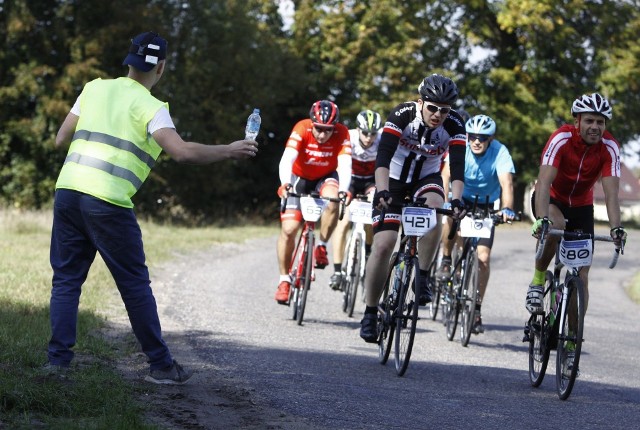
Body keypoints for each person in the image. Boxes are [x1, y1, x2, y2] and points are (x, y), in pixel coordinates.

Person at [48, 31, 259, 384]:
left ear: (128, 60)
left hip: (68, 192)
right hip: (108, 201)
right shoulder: (152, 108)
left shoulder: (93, 88)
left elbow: (60, 139)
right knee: (134, 285)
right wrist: (229, 149)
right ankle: (161, 367)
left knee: (66, 280)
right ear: (161, 68)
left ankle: (57, 365)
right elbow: (182, 152)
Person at [359, 74, 468, 343]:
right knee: (384, 245)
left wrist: (456, 200)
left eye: (444, 110)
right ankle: (370, 312)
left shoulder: (454, 124)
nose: (438, 115)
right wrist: (382, 190)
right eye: (432, 108)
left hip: (426, 179)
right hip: (392, 180)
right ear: (421, 103)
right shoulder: (402, 114)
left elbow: (457, 167)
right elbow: (382, 157)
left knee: (434, 211)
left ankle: (422, 275)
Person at [526, 93, 627, 371]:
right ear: (577, 121)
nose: (596, 127)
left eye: (601, 122)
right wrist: (543, 218)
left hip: (581, 207)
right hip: (551, 199)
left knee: (581, 276)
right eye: (590, 121)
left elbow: (611, 194)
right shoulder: (561, 138)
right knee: (555, 227)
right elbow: (544, 182)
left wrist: (616, 227)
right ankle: (537, 281)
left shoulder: (610, 148)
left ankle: (571, 343)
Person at [438, 114, 516, 334]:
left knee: (483, 258)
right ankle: (446, 259)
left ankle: (477, 307)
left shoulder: (500, 152)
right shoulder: (461, 145)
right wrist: (445, 200)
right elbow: (446, 175)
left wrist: (507, 208)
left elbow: (507, 183)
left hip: (486, 205)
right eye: (472, 136)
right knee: (453, 222)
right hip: (462, 198)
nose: (476, 141)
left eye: (482, 137)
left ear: (490, 138)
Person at [275, 100, 352, 304]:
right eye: (318, 129)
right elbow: (287, 158)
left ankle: (322, 246)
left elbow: (345, 164)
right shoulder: (302, 127)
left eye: (328, 130)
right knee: (289, 229)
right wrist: (285, 184)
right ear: (312, 123)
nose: (322, 135)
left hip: (325, 177)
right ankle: (284, 280)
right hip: (298, 178)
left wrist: (344, 190)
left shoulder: (342, 133)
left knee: (334, 199)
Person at [328, 109, 382, 291]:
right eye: (365, 133)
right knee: (343, 223)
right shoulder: (348, 138)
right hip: (350, 180)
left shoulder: (381, 140)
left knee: (371, 213)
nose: (368, 137)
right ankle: (337, 270)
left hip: (369, 181)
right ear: (358, 130)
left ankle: (367, 251)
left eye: (373, 133)